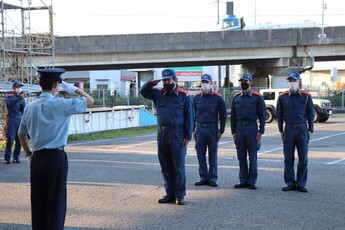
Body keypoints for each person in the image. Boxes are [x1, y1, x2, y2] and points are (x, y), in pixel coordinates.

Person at [18, 68, 94, 230]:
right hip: (55, 157)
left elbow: (21, 134)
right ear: (56, 85)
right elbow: (89, 101)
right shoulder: (61, 104)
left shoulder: (30, 107)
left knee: (38, 201)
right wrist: (74, 89)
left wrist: (28, 154)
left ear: (39, 84)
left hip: (37, 158)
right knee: (56, 201)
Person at [140, 69, 194, 205]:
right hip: (162, 134)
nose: (166, 82)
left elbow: (190, 118)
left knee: (178, 166)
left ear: (175, 80)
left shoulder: (185, 96)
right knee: (165, 166)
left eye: (169, 80)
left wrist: (188, 136)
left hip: (177, 134)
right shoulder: (159, 94)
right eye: (164, 80)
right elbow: (143, 92)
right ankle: (170, 194)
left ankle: (179, 195)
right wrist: (151, 83)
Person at [276, 71, 314, 193]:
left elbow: (311, 113)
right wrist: (281, 130)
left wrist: (310, 130)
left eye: (294, 81)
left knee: (303, 159)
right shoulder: (282, 97)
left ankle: (301, 183)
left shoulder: (306, 96)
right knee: (288, 158)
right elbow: (279, 115)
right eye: (290, 81)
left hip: (302, 129)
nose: (292, 83)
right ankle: (290, 182)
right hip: (289, 129)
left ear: (299, 82)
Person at [231, 73, 266, 190]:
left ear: (251, 82)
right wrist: (233, 132)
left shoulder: (257, 97)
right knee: (241, 156)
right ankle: (243, 179)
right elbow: (233, 117)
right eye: (241, 81)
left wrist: (261, 131)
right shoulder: (236, 97)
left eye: (245, 81)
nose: (243, 83)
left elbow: (262, 115)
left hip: (252, 128)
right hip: (239, 128)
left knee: (252, 157)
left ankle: (252, 181)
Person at [193, 74, 227, 187]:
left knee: (213, 155)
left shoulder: (218, 98)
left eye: (207, 82)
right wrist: (192, 130)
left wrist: (221, 130)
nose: (205, 84)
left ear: (211, 83)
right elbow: (192, 115)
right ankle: (203, 177)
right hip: (200, 129)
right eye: (203, 82)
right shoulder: (196, 98)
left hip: (212, 129)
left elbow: (223, 116)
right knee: (200, 154)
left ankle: (212, 178)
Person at [4, 81, 26, 164]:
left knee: (19, 140)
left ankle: (16, 158)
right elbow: (11, 103)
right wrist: (19, 98)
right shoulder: (10, 97)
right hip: (12, 120)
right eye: (17, 87)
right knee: (10, 139)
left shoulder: (22, 98)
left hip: (19, 120)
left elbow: (22, 110)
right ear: (14, 88)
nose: (19, 89)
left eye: (20, 87)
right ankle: (7, 158)